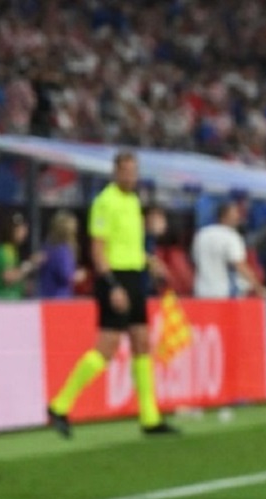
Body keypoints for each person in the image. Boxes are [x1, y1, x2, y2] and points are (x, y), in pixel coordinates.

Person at [46, 150, 176, 437]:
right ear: (116, 172)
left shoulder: (133, 201)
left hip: (134, 276)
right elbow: (98, 249)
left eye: (134, 171)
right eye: (126, 171)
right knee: (107, 349)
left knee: (142, 342)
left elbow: (128, 245)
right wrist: (112, 284)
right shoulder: (104, 202)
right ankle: (59, 404)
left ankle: (150, 418)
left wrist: (150, 261)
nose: (131, 176)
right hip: (113, 277)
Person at [192, 201, 261, 299]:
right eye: (235, 213)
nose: (238, 216)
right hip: (224, 294)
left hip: (201, 291)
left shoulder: (201, 234)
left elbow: (195, 260)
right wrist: (258, 288)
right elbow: (239, 265)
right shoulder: (231, 236)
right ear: (224, 216)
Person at [0, 212, 41, 299]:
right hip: (2, 302)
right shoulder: (4, 250)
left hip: (12, 301)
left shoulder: (12, 249)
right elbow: (8, 277)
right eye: (19, 229)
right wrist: (30, 264)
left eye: (24, 228)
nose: (23, 233)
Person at [36, 211, 86, 299]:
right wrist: (78, 275)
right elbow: (66, 276)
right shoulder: (63, 250)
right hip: (59, 298)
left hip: (45, 296)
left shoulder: (46, 246)